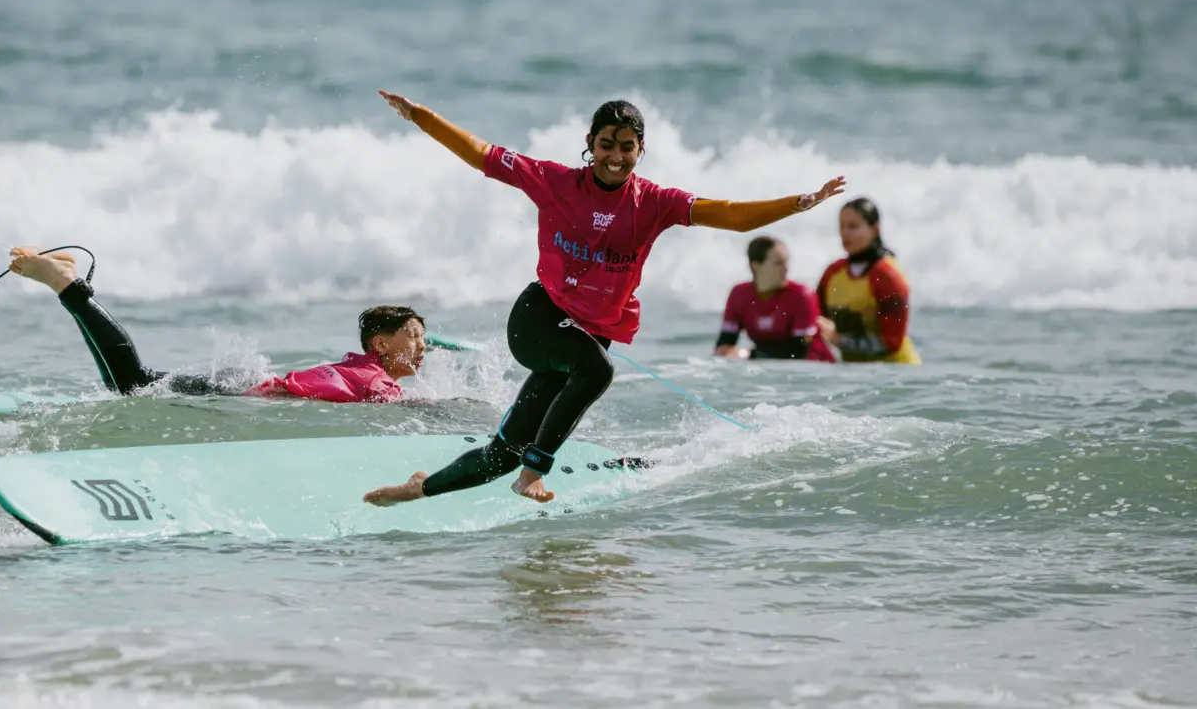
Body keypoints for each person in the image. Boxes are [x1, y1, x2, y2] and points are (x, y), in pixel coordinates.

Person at [363, 92, 846, 507]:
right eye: (606, 145)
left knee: (499, 456)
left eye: (627, 147)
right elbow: (482, 153)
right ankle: (534, 473)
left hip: (585, 336)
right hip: (538, 320)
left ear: (641, 150)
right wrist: (421, 116)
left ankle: (419, 489)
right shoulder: (555, 181)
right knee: (597, 371)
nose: (616, 156)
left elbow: (732, 216)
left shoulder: (654, 202)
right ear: (590, 146)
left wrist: (796, 203)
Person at [5, 247, 426, 401]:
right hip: (240, 389)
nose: (422, 347)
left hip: (242, 385)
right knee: (133, 384)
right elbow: (395, 405)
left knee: (128, 386)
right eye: (414, 336)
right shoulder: (374, 381)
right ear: (381, 344)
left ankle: (68, 281)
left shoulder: (364, 369)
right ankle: (66, 284)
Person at [814, 198, 921, 365]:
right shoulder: (832, 273)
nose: (845, 233)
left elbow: (891, 343)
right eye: (842, 226)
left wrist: (840, 340)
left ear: (875, 229)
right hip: (854, 372)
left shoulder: (888, 276)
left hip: (897, 372)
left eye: (853, 227)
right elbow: (815, 321)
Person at [714, 235, 836, 362]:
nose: (786, 268)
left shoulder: (802, 295)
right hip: (769, 369)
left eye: (786, 261)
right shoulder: (739, 295)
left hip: (817, 371)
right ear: (755, 266)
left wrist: (747, 354)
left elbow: (798, 352)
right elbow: (724, 344)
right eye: (778, 263)